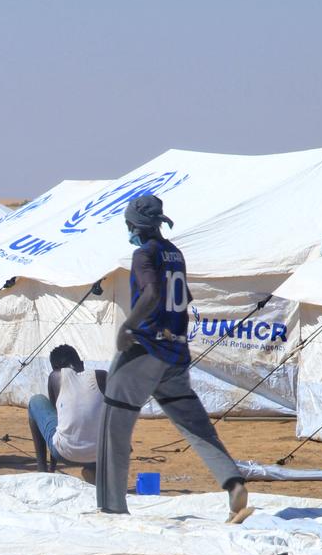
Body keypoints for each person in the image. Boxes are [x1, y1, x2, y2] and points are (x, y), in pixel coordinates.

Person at [96, 195, 251, 522]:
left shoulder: (144, 254)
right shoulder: (175, 254)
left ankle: (111, 506)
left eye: (128, 225)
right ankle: (232, 480)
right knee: (196, 426)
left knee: (114, 424)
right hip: (176, 353)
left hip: (145, 349)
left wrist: (127, 326)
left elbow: (152, 293)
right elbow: (180, 299)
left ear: (135, 225)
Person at [28, 344, 107, 482]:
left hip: (65, 453)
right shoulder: (102, 376)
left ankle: (43, 472)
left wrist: (53, 466)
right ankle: (94, 470)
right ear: (81, 363)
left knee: (36, 401)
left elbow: (59, 421)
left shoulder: (55, 377)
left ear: (55, 368)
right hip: (102, 455)